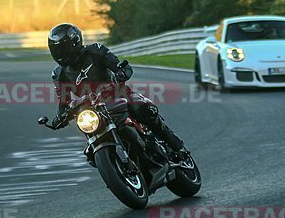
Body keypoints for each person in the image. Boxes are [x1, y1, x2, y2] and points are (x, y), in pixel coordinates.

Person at [46, 22, 187, 158]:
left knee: (143, 109)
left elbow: (121, 66)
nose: (61, 53)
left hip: (118, 94)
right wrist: (59, 118)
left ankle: (176, 146)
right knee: (90, 154)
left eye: (64, 49)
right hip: (92, 110)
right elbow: (63, 101)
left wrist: (121, 73)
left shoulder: (95, 50)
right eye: (57, 50)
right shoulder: (59, 74)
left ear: (75, 42)